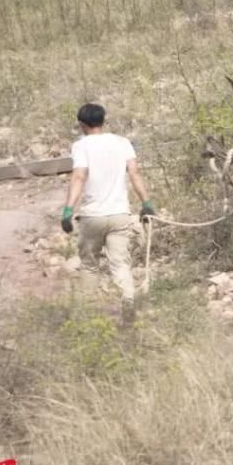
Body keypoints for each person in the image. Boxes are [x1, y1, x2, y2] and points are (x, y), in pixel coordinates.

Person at [61, 103, 155, 324]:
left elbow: (79, 177)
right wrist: (146, 203)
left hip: (93, 216)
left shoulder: (81, 146)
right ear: (104, 121)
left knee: (90, 265)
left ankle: (85, 314)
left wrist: (67, 210)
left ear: (82, 125)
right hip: (120, 214)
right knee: (121, 263)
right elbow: (134, 174)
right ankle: (128, 301)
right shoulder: (123, 143)